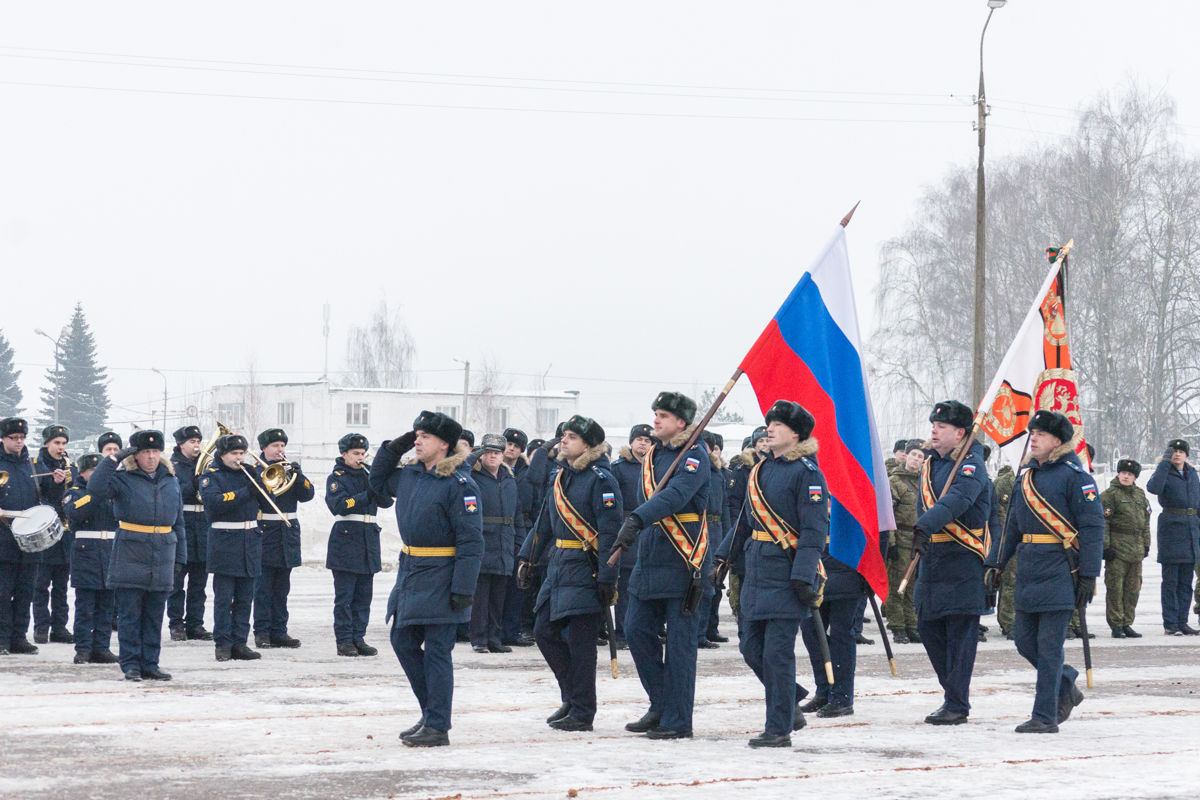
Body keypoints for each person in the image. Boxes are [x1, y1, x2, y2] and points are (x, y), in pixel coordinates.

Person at [715, 400, 826, 747]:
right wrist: (722, 559)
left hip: (787, 573)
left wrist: (803, 575)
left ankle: (778, 729)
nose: (769, 429)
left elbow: (814, 530)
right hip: (756, 570)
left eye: (777, 424)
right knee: (751, 649)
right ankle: (788, 699)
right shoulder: (760, 471)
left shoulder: (808, 473)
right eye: (769, 423)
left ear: (795, 434)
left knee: (777, 654)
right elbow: (744, 524)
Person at [370, 410, 483, 748]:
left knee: (437, 651)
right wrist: (393, 449)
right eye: (416, 435)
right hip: (412, 570)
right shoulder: (411, 475)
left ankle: (437, 725)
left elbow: (471, 542)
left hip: (443, 574)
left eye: (425, 437)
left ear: (445, 445)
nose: (417, 441)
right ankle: (433, 713)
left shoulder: (460, 483)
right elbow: (377, 483)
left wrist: (463, 589)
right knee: (402, 641)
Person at [985, 410, 1103, 732]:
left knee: (1050, 648)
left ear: (1057, 441)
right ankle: (1065, 682)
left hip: (1061, 571)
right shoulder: (1025, 477)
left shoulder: (1075, 477)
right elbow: (1011, 528)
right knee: (1025, 642)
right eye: (1031, 433)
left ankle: (1045, 716)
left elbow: (1093, 527)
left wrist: (1089, 574)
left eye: (1040, 434)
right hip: (1028, 568)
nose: (1032, 438)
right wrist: (996, 563)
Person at [609, 391, 709, 740]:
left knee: (680, 645)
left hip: (684, 559)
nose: (656, 420)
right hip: (651, 556)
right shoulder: (652, 456)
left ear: (681, 423)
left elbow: (675, 496)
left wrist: (636, 519)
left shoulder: (695, 456)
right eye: (655, 413)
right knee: (635, 630)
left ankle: (678, 719)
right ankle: (660, 703)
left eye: (663, 415)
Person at [517, 415, 620, 732]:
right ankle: (572, 696)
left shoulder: (602, 479)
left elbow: (610, 533)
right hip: (559, 565)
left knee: (581, 646)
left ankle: (583, 711)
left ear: (588, 445)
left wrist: (607, 578)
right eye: (563, 435)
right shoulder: (559, 477)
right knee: (544, 632)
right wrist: (528, 557)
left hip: (586, 568)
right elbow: (544, 524)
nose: (563, 440)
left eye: (572, 436)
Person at [910, 400, 991, 726]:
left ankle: (956, 703)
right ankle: (954, 694)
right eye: (933, 425)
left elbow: (958, 500)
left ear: (960, 433)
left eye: (941, 427)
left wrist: (924, 526)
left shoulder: (972, 464)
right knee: (927, 626)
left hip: (961, 558)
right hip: (933, 559)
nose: (934, 430)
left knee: (960, 634)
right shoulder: (930, 465)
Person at [88, 430, 185, 681]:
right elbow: (96, 488)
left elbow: (179, 522)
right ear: (135, 455)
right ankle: (130, 664)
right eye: (145, 452)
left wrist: (180, 557)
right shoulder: (123, 478)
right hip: (131, 551)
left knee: (154, 616)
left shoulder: (171, 480)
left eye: (155, 451)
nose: (151, 457)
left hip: (163, 552)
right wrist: (113, 459)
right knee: (130, 615)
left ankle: (150, 663)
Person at [200, 434, 264, 662]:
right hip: (225, 541)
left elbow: (267, 503)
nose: (239, 458)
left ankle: (240, 642)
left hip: (250, 541)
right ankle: (223, 644)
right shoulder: (211, 476)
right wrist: (248, 491)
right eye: (234, 454)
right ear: (223, 455)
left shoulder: (249, 473)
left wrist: (264, 485)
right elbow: (215, 502)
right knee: (224, 598)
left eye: (241, 453)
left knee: (246, 598)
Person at [252, 428, 315, 649]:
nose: (280, 450)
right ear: (264, 448)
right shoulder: (254, 469)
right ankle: (261, 632)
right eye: (275, 446)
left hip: (287, 532)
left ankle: (279, 631)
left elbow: (308, 495)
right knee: (263, 588)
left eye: (282, 446)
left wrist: (299, 476)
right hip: (265, 530)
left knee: (282, 587)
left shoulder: (289, 469)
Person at [325, 433, 385, 657]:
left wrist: (381, 484)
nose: (360, 457)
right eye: (356, 454)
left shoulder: (369, 474)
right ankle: (344, 640)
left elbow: (386, 502)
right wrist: (367, 494)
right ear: (344, 454)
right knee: (345, 597)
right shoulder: (337, 477)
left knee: (363, 596)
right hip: (346, 539)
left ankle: (359, 637)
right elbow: (340, 505)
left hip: (368, 538)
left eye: (363, 453)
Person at [63, 453, 119, 665]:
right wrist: (95, 493)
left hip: (110, 550)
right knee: (86, 606)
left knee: (107, 606)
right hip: (86, 552)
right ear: (83, 472)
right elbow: (74, 513)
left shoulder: (113, 492)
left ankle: (102, 648)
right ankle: (84, 648)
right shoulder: (75, 493)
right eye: (93, 473)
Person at [468, 433, 522, 653]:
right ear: (480, 455)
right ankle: (479, 639)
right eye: (488, 452)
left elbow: (516, 512)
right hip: (482, 540)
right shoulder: (473, 478)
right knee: (480, 596)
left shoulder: (509, 479)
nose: (493, 456)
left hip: (505, 542)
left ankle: (494, 638)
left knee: (499, 595)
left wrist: (520, 540)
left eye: (497, 453)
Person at [1146, 439, 1200, 635]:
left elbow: (1198, 503)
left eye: (1181, 451)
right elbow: (1153, 488)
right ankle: (1170, 623)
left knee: (1186, 582)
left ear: (1187, 455)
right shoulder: (1164, 473)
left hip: (1192, 531)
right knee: (1170, 581)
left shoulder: (1192, 474)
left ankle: (1182, 622)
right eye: (1173, 451)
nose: (1177, 454)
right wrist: (1164, 463)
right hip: (1172, 529)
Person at [608, 423, 653, 649]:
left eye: (647, 440)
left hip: (650, 528)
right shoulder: (619, 468)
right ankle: (622, 632)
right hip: (628, 527)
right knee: (625, 585)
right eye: (639, 439)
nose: (643, 443)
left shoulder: (655, 467)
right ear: (631, 442)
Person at [32, 423, 77, 645]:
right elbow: (40, 495)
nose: (61, 448)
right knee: (40, 584)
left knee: (61, 585)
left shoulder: (70, 465)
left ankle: (60, 627)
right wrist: (54, 483)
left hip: (65, 534)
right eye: (57, 443)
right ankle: (41, 627)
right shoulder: (35, 465)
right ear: (47, 443)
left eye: (64, 443)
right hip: (43, 532)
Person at [168, 426, 212, 641]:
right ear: (181, 444)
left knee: (199, 582)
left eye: (198, 441)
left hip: (202, 525)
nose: (197, 446)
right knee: (176, 581)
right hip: (182, 523)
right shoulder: (171, 465)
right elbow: (172, 492)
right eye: (192, 441)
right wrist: (192, 484)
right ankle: (176, 624)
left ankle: (196, 624)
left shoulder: (205, 464)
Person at [0, 417, 41, 654]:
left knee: (26, 592)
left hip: (30, 540)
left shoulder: (32, 465)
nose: (18, 442)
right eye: (13, 438)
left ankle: (19, 637)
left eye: (22, 438)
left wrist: (56, 483)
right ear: (3, 439)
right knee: (3, 593)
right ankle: (2, 638)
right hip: (3, 538)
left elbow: (47, 496)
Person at [1101, 459, 1151, 638]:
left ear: (1135, 477)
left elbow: (1146, 521)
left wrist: (1146, 544)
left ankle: (1127, 623)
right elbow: (1104, 523)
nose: (1126, 476)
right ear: (1118, 474)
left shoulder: (1139, 494)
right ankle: (1116, 625)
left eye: (1130, 474)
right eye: (1123, 473)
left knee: (1133, 589)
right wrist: (1105, 547)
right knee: (1115, 588)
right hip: (1117, 548)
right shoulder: (1109, 495)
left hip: (1136, 549)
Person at [725, 428, 768, 629]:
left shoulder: (775, 468)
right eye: (761, 441)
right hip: (745, 533)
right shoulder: (742, 471)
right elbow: (735, 504)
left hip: (770, 536)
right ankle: (745, 625)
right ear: (754, 445)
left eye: (768, 440)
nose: (765, 444)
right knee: (743, 583)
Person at [499, 428, 535, 647]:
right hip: (498, 528)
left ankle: (512, 630)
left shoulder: (527, 472)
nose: (511, 448)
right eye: (508, 444)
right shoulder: (491, 467)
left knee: (518, 583)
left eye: (516, 446)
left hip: (523, 526)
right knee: (495, 586)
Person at [884, 441, 923, 644]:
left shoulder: (926, 483)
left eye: (920, 457)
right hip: (900, 540)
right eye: (913, 454)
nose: (916, 459)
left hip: (919, 542)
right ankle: (898, 627)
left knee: (913, 588)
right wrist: (890, 544)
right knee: (897, 586)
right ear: (905, 456)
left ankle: (912, 625)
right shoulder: (894, 482)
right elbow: (888, 515)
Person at [696, 430, 730, 650]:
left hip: (716, 530)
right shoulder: (697, 470)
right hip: (700, 528)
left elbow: (724, 506)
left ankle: (710, 628)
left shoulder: (718, 472)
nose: (711, 451)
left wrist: (728, 536)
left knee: (716, 582)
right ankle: (698, 633)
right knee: (703, 584)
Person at [994, 460, 1018, 640]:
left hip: (1028, 540)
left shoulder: (1032, 479)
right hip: (1009, 538)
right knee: (1010, 582)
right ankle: (1008, 623)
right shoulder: (1006, 482)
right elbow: (999, 511)